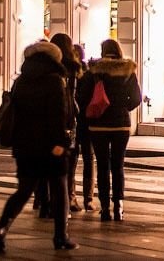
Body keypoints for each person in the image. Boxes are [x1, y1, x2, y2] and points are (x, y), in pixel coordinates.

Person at [0, 41, 78, 252]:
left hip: (25, 145)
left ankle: (1, 228)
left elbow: (15, 112)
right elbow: (58, 115)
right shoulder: (55, 81)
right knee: (59, 190)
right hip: (50, 146)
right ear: (54, 58)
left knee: (23, 191)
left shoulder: (21, 81)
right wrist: (60, 143)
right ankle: (60, 236)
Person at [77, 39, 142, 222]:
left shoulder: (94, 71)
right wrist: (123, 108)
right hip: (121, 125)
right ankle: (119, 206)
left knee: (103, 165)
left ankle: (105, 207)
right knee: (118, 165)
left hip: (98, 125)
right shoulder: (128, 71)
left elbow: (82, 97)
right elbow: (136, 97)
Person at [49, 33, 82, 213]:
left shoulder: (50, 67)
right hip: (69, 121)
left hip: (51, 120)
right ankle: (69, 198)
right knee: (69, 163)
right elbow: (77, 96)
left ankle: (48, 201)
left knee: (50, 163)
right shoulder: (74, 68)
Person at [73, 44, 96, 211]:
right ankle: (88, 199)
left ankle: (71, 196)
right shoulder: (90, 75)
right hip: (88, 123)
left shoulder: (69, 73)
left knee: (71, 162)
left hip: (74, 123)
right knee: (89, 160)